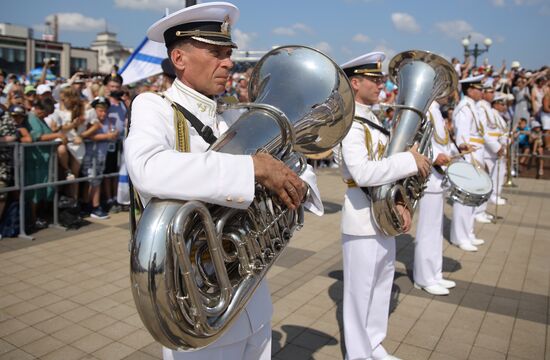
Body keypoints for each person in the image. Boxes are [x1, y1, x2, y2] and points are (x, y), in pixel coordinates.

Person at [124, 3, 323, 360]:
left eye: (228, 53)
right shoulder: (154, 106)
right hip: (196, 299)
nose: (228, 62)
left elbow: (293, 165)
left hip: (250, 301)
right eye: (216, 52)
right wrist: (252, 170)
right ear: (179, 58)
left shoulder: (232, 115)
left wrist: (297, 184)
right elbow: (147, 168)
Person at [337, 52, 430, 360]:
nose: (381, 85)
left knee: (380, 289)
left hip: (382, 216)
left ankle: (374, 345)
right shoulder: (350, 123)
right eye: (374, 80)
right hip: (362, 219)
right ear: (355, 83)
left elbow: (388, 169)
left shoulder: (375, 119)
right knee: (359, 295)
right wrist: (408, 161)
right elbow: (362, 172)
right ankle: (358, 354)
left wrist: (402, 201)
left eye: (380, 79)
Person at [413, 96, 456, 296]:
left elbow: (441, 142)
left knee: (435, 230)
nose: (450, 91)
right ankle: (423, 277)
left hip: (438, 176)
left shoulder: (436, 110)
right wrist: (433, 158)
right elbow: (411, 143)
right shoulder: (425, 108)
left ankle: (434, 274)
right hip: (428, 176)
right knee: (427, 231)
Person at [450, 75, 492, 252]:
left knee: (473, 198)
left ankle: (468, 232)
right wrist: (470, 160)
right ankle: (459, 236)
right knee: (465, 199)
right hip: (469, 156)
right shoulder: (464, 108)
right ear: (469, 90)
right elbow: (462, 137)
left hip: (477, 153)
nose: (481, 92)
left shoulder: (472, 106)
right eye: (479, 89)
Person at [478, 85, 505, 212]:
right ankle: (479, 210)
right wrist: (496, 146)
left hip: (493, 148)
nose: (493, 94)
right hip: (487, 149)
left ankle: (482, 209)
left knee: (491, 178)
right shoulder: (481, 107)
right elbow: (483, 131)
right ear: (484, 93)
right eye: (490, 92)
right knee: (485, 181)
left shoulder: (487, 107)